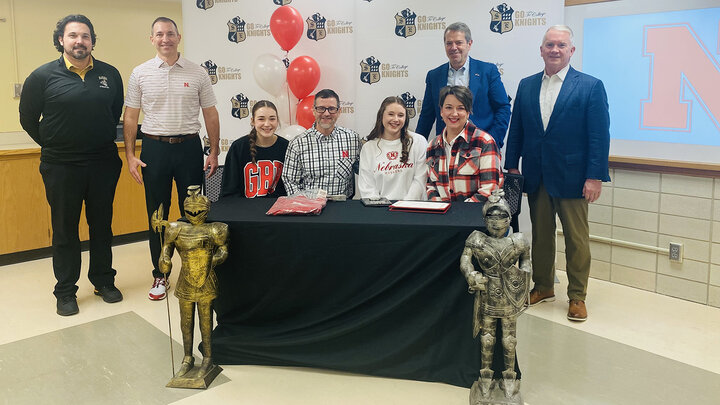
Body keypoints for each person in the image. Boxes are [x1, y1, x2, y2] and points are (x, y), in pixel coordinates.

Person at [19, 14, 124, 316]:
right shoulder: (41, 77)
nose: (80, 41)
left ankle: (103, 280)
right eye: (73, 35)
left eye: (85, 36)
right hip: (61, 165)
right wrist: (54, 143)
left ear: (92, 41)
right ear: (61, 40)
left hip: (103, 163)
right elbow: (28, 119)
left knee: (102, 226)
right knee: (65, 229)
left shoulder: (110, 74)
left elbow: (113, 112)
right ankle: (65, 290)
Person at [504, 25, 611, 322]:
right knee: (541, 236)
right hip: (536, 174)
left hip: (574, 178)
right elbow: (518, 130)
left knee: (577, 239)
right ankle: (543, 286)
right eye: (549, 44)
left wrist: (595, 176)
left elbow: (599, 136)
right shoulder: (526, 85)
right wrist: (512, 166)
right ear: (541, 50)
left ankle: (577, 295)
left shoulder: (590, 86)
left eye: (561, 45)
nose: (554, 50)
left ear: (571, 51)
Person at [123, 16, 221, 301]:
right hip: (154, 150)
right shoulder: (140, 73)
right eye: (159, 34)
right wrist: (130, 155)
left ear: (178, 38)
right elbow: (131, 116)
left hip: (189, 148)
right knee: (158, 215)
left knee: (194, 213)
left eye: (170, 34)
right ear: (151, 39)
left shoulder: (197, 72)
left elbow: (210, 113)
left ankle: (194, 272)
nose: (165, 39)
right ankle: (160, 274)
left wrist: (213, 151)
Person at [460, 191, 530, 400]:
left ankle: (510, 377)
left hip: (510, 296)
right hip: (487, 294)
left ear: (509, 219)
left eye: (502, 217)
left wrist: (524, 278)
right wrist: (471, 274)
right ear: (485, 219)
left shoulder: (518, 241)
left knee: (509, 340)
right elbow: (465, 259)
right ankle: (485, 378)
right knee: (487, 338)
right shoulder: (477, 239)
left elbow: (526, 261)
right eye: (492, 217)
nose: (497, 222)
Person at [157, 185, 228, 381]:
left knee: (206, 321)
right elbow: (166, 249)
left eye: (199, 211)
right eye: (190, 211)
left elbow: (223, 250)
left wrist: (213, 261)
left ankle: (207, 358)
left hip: (206, 278)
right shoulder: (175, 229)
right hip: (185, 279)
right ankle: (187, 357)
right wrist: (164, 260)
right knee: (185, 321)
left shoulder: (216, 229)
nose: (194, 214)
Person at [415, 22, 511, 147]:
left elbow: (503, 108)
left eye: (459, 42)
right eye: (449, 43)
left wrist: (491, 141)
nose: (453, 47)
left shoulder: (487, 71)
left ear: (469, 44)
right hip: (446, 148)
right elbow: (427, 116)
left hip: (481, 147)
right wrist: (416, 147)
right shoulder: (434, 76)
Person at [426, 86, 503, 202]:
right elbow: (431, 186)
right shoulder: (432, 146)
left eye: (460, 108)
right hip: (442, 216)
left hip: (476, 215)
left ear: (468, 112)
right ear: (441, 111)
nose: (454, 113)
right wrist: (440, 211)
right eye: (449, 107)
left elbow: (489, 190)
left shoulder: (484, 142)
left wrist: (460, 215)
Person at [282, 89, 360, 198]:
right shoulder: (298, 144)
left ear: (339, 111)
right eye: (321, 109)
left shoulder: (352, 139)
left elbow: (365, 172)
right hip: (310, 208)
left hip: (343, 207)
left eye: (332, 109)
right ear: (314, 110)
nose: (326, 113)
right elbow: (290, 181)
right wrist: (303, 205)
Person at [358, 96, 428, 200]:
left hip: (412, 209)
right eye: (391, 114)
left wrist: (404, 206)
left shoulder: (418, 142)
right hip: (381, 211)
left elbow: (420, 180)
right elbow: (367, 188)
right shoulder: (368, 148)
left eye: (400, 115)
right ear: (381, 115)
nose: (396, 119)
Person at [221, 100, 288, 198]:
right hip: (245, 209)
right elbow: (229, 191)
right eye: (261, 119)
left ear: (277, 121)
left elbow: (290, 188)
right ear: (253, 121)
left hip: (277, 208)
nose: (267, 124)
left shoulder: (286, 146)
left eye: (272, 119)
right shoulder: (238, 147)